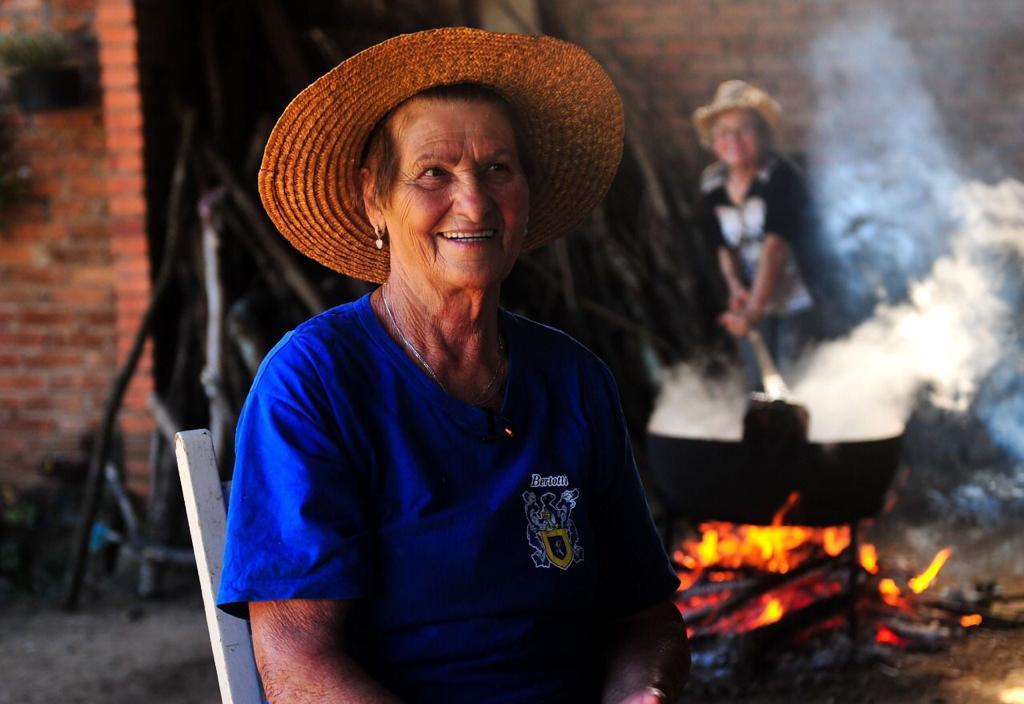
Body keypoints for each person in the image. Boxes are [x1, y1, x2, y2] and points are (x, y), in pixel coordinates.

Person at [217, 27, 689, 704]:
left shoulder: (573, 379)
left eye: (498, 168)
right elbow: (296, 661)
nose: (474, 202)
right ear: (374, 201)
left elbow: (644, 619)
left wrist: (640, 692)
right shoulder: (315, 382)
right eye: (433, 172)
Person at [693, 80, 818, 385]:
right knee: (758, 388)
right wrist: (736, 287)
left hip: (794, 298)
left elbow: (775, 250)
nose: (733, 139)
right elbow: (723, 246)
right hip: (750, 299)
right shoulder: (712, 183)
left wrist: (751, 313)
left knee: (795, 386)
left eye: (744, 129)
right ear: (713, 140)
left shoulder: (782, 176)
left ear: (763, 134)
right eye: (723, 131)